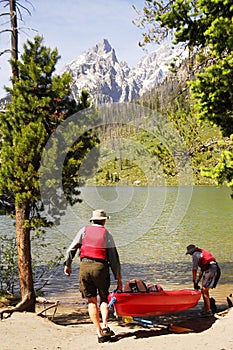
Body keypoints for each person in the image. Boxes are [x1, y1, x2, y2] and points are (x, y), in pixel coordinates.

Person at [64, 209, 122, 343]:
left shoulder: (83, 231)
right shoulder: (106, 234)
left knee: (91, 301)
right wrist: (118, 278)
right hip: (101, 267)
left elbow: (71, 249)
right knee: (104, 298)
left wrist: (68, 265)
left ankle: (99, 332)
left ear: (92, 220)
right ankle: (105, 325)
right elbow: (114, 258)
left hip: (84, 266)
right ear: (104, 220)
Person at [186, 244, 221, 317]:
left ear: (191, 252)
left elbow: (194, 269)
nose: (190, 255)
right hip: (214, 268)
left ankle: (207, 311)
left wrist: (194, 281)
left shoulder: (195, 255)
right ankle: (207, 308)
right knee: (204, 289)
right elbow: (202, 270)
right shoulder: (201, 254)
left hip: (211, 269)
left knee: (204, 290)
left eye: (189, 253)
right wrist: (197, 282)